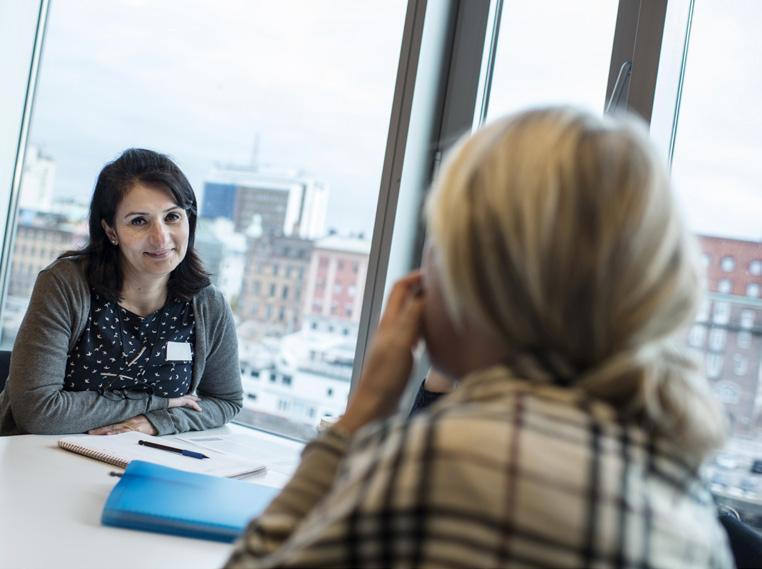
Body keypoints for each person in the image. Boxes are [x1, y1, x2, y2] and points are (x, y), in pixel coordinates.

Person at [224, 107, 733, 568]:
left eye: (438, 240)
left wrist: (359, 417)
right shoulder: (676, 483)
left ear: (479, 276)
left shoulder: (449, 464)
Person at [0, 148, 243, 436]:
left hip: (138, 464)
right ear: (111, 231)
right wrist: (158, 403)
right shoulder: (65, 284)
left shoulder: (207, 303)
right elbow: (38, 412)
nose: (161, 237)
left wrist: (158, 422)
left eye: (172, 217)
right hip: (33, 459)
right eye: (139, 221)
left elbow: (226, 401)